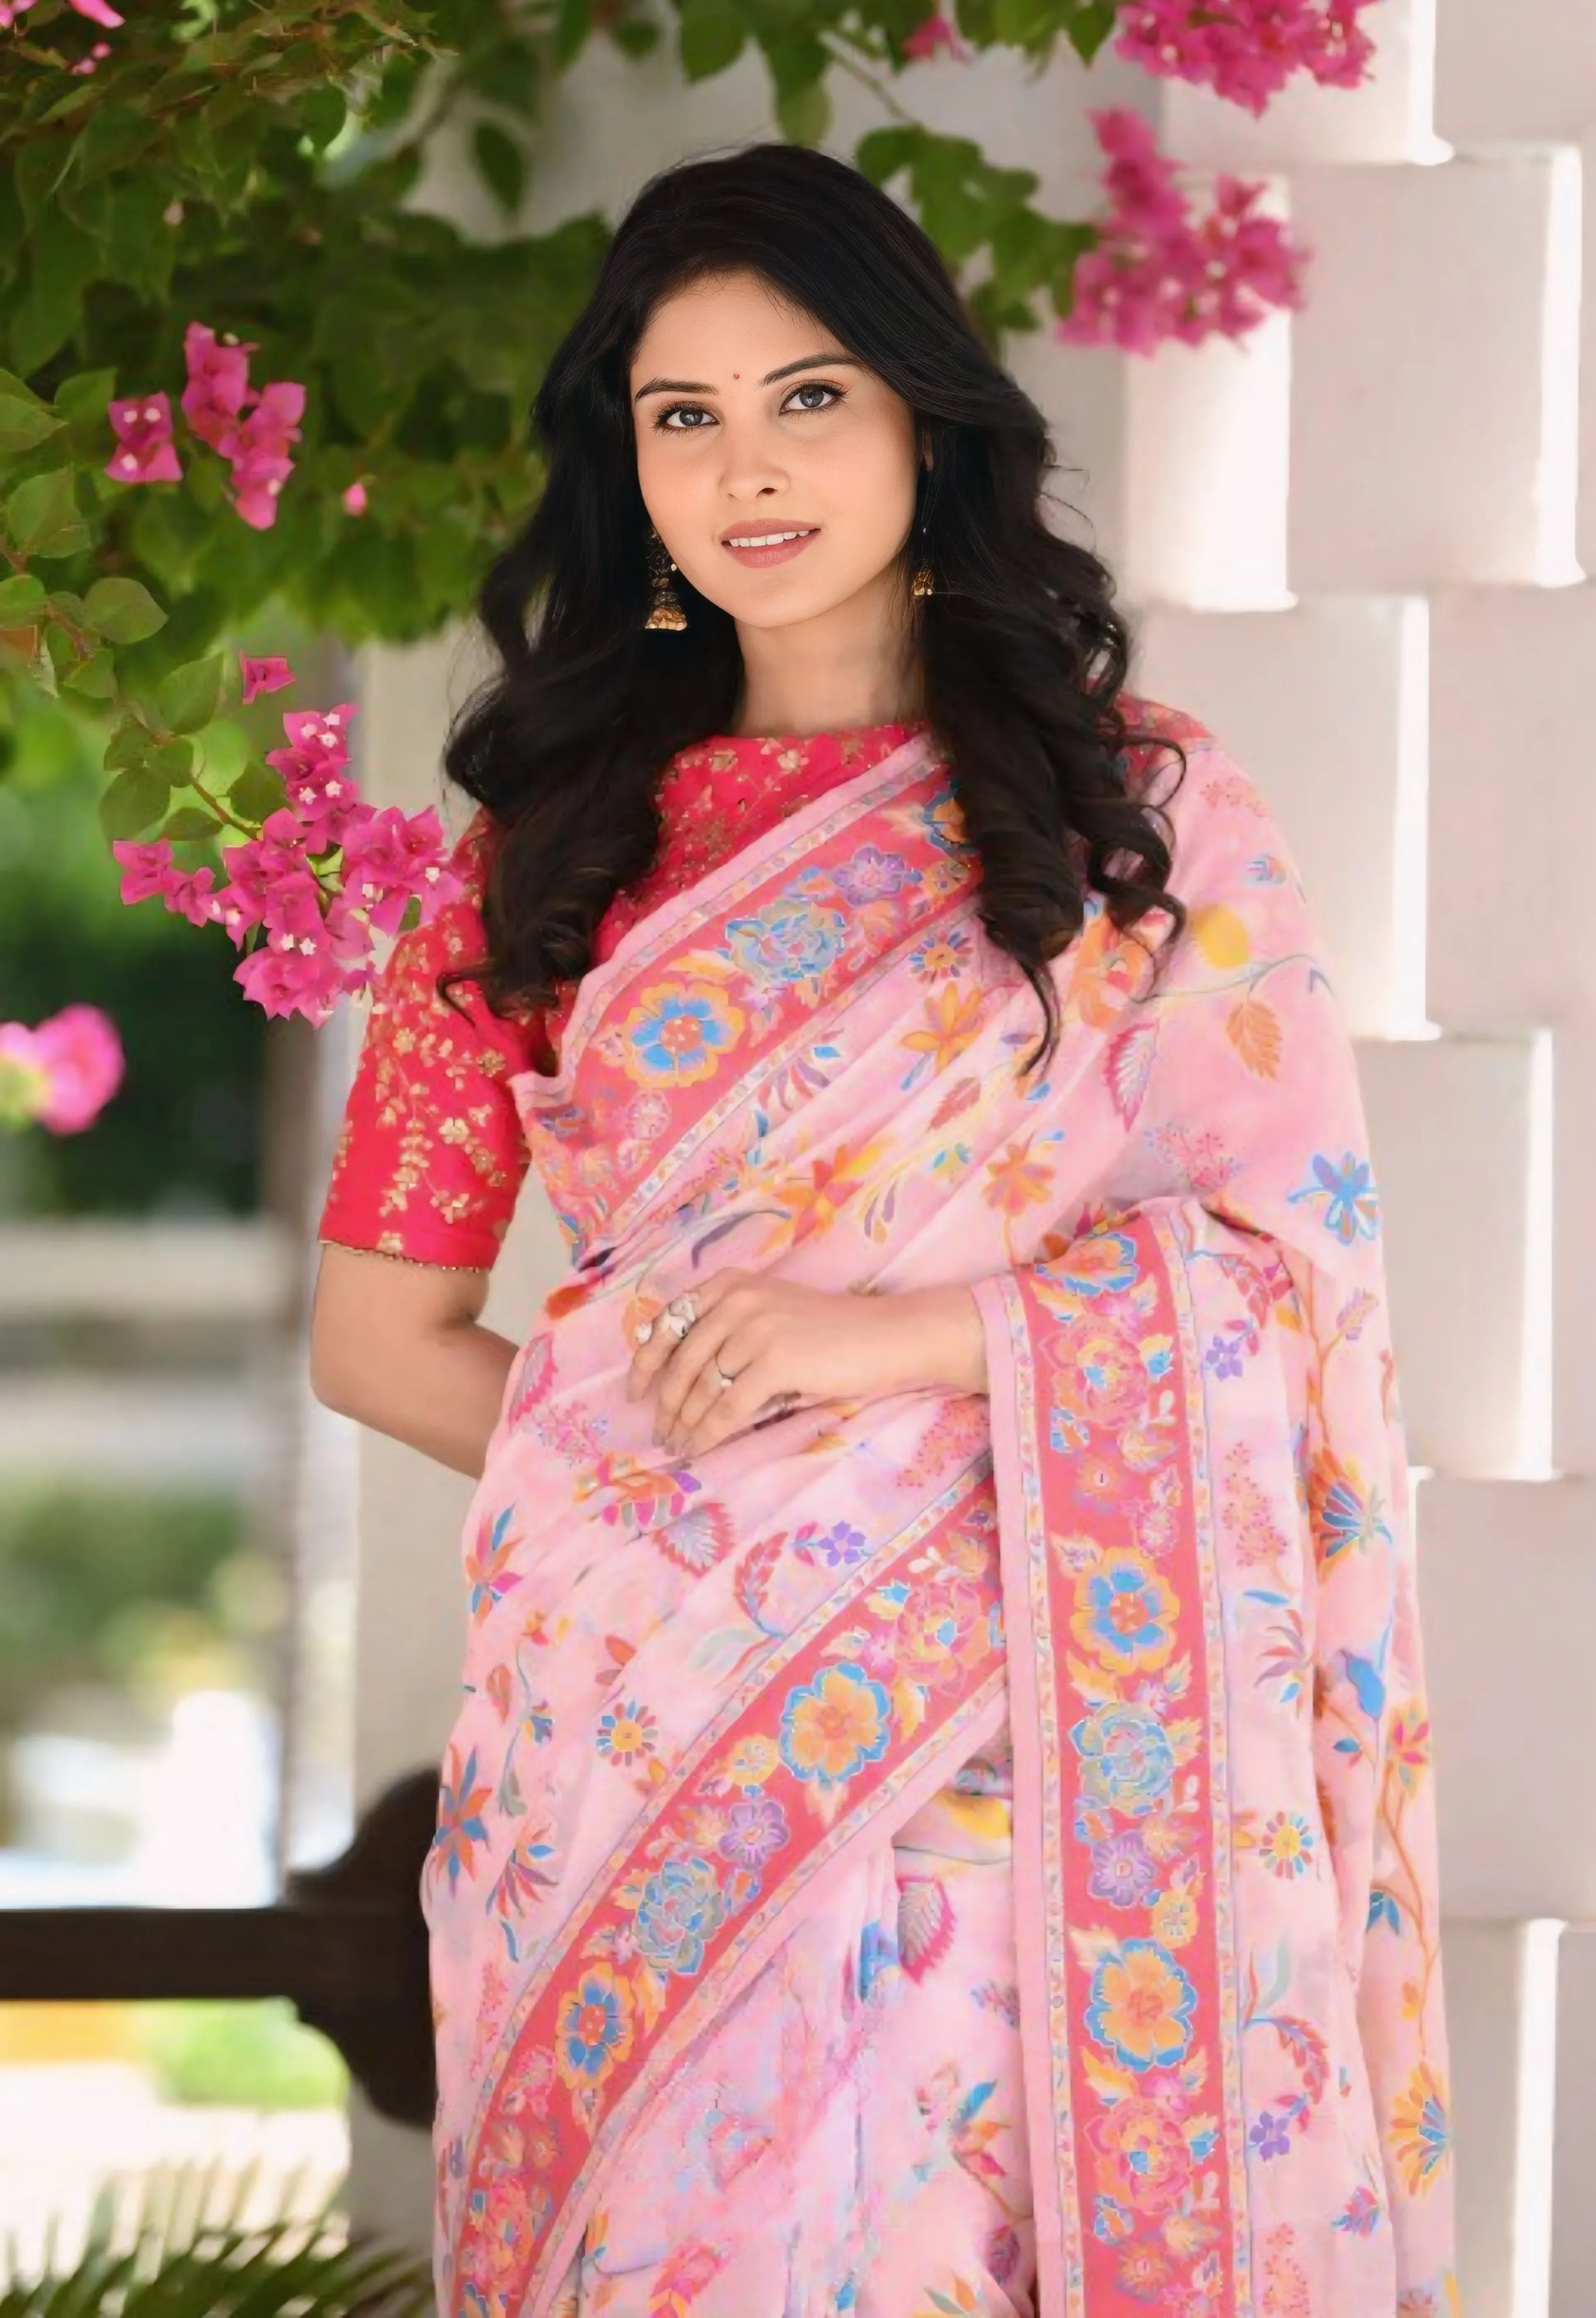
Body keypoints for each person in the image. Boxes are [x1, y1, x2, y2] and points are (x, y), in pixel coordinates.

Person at [309, 142, 1458, 2318]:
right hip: (627, 1737)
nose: (748, 469)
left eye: (809, 397)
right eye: (684, 417)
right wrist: (698, 1510)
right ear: (621, 467)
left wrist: (898, 1365)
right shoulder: (532, 854)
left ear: (929, 419)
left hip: (1027, 1739)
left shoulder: (1154, 817)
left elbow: (1287, 1295)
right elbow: (375, 1343)